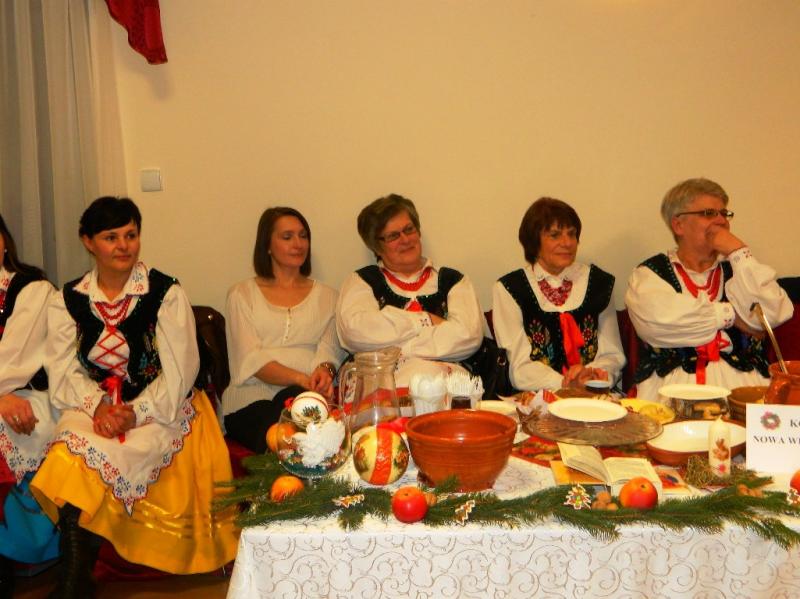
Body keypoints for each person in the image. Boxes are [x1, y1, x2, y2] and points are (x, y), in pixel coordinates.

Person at [30, 197, 238, 598]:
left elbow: (180, 372)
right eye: (111, 237)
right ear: (88, 241)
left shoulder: (164, 292)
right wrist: (98, 407)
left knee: (107, 453)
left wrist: (134, 412)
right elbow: (62, 368)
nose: (124, 245)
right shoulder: (68, 298)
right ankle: (76, 576)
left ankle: (74, 581)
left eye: (130, 235)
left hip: (161, 405)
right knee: (69, 451)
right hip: (91, 404)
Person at [625, 178, 794, 400]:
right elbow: (659, 321)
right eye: (708, 213)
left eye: (724, 213)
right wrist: (733, 316)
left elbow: (771, 315)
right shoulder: (650, 274)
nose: (721, 221)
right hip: (672, 387)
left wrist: (738, 251)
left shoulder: (740, 270)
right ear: (678, 225)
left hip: (744, 388)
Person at [223, 207, 345, 453]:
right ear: (267, 245)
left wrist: (323, 371)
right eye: (287, 237)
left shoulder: (330, 297)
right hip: (250, 400)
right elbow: (250, 360)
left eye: (303, 236)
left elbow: (330, 351)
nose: (298, 244)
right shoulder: (241, 294)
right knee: (282, 429)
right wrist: (300, 377)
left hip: (304, 396)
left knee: (299, 408)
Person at [337, 194, 483, 387]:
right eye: (393, 236)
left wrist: (391, 348)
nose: (405, 239)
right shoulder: (361, 282)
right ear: (376, 247)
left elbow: (468, 337)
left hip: (446, 388)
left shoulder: (454, 281)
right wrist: (425, 320)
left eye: (409, 229)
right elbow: (356, 333)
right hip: (382, 389)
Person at [492, 197, 625, 393]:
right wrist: (565, 383)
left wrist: (591, 376)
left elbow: (613, 354)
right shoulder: (509, 289)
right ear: (534, 242)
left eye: (572, 234)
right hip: (537, 396)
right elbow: (518, 367)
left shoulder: (599, 283)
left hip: (593, 393)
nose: (567, 243)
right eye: (554, 235)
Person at [0, 215, 58, 598]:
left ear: (4, 240)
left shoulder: (32, 290)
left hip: (25, 393)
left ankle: (7, 556)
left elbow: (13, 360)